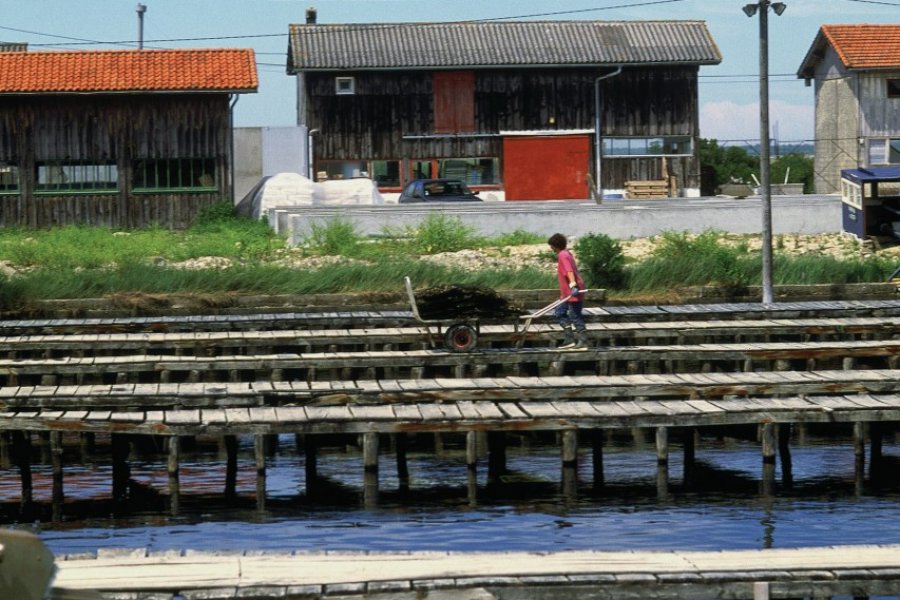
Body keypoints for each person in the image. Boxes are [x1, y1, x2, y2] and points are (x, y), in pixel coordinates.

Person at [548, 233, 588, 350]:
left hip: (574, 291)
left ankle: (583, 341)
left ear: (556, 245)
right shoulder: (566, 253)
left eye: (552, 246)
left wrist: (573, 285)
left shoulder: (563, 255)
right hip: (566, 293)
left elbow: (569, 271)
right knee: (559, 312)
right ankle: (569, 339)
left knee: (575, 316)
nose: (551, 248)